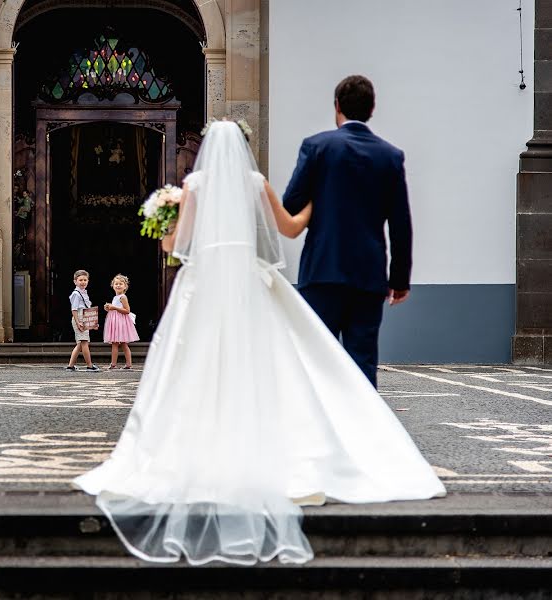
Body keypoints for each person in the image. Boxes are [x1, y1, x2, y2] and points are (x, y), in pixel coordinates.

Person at [73, 120, 445, 567]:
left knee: (194, 365)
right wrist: (315, 205)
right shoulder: (255, 183)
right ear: (246, 151)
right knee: (263, 362)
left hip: (204, 285)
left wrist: (164, 214)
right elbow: (288, 229)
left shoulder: (193, 184)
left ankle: (198, 445)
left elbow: (174, 247)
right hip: (250, 281)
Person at [283, 75, 411, 387]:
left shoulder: (317, 147)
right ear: (372, 109)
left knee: (318, 359)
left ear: (337, 106)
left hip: (322, 270)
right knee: (363, 360)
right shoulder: (390, 156)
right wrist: (399, 279)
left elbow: (290, 203)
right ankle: (365, 431)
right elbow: (400, 223)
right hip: (368, 275)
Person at [103, 274, 140, 370]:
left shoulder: (123, 297)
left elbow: (127, 310)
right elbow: (115, 309)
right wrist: (109, 308)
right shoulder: (115, 297)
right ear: (113, 285)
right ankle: (117, 364)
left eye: (120, 284)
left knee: (121, 343)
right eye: (116, 284)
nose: (118, 285)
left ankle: (123, 364)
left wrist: (114, 307)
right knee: (116, 343)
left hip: (121, 322)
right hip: (115, 321)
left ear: (125, 286)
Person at [65, 269, 100, 372]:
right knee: (84, 342)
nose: (83, 282)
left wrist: (93, 324)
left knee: (80, 344)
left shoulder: (83, 292)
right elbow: (74, 309)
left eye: (85, 280)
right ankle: (89, 365)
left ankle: (70, 365)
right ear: (75, 281)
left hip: (83, 316)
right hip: (79, 317)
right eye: (80, 280)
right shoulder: (76, 294)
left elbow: (87, 309)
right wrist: (78, 322)